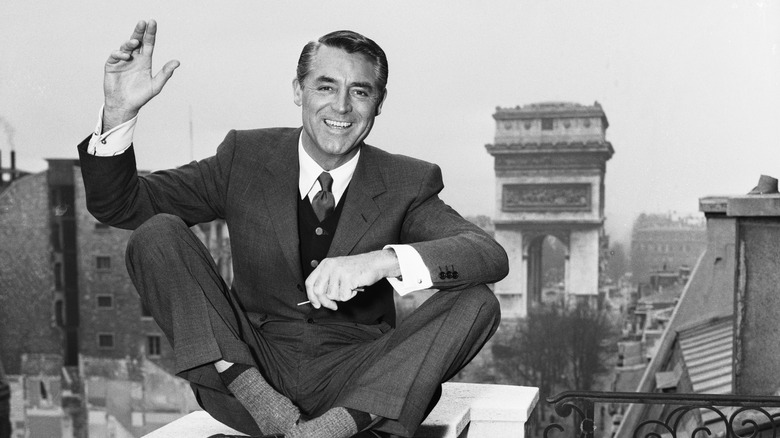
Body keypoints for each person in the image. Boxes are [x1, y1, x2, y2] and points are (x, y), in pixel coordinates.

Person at [77, 19, 508, 438]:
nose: (341, 107)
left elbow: (486, 253)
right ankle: (279, 415)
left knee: (477, 300)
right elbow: (124, 206)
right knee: (156, 234)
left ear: (379, 102)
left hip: (360, 384)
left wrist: (381, 262)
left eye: (360, 91)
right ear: (298, 90)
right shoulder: (245, 158)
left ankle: (329, 430)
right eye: (326, 87)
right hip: (249, 371)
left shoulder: (406, 181)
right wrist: (118, 113)